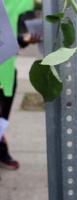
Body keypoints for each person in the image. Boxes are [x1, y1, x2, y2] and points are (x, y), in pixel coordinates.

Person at [0, 0, 40, 170]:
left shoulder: (21, 3)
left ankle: (1, 150)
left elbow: (6, 41)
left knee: (2, 119)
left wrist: (24, 39)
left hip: (7, 72)